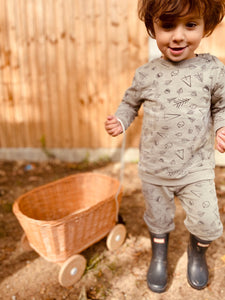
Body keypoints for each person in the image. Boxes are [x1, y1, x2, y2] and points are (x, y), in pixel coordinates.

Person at [105, 0, 225, 294]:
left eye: (190, 25)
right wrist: (121, 120)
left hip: (196, 167)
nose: (179, 36)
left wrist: (222, 126)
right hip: (155, 169)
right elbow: (129, 103)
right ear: (152, 27)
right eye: (168, 25)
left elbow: (222, 105)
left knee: (207, 221)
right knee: (158, 218)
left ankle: (197, 253)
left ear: (205, 26)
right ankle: (159, 256)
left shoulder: (212, 69)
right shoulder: (146, 74)